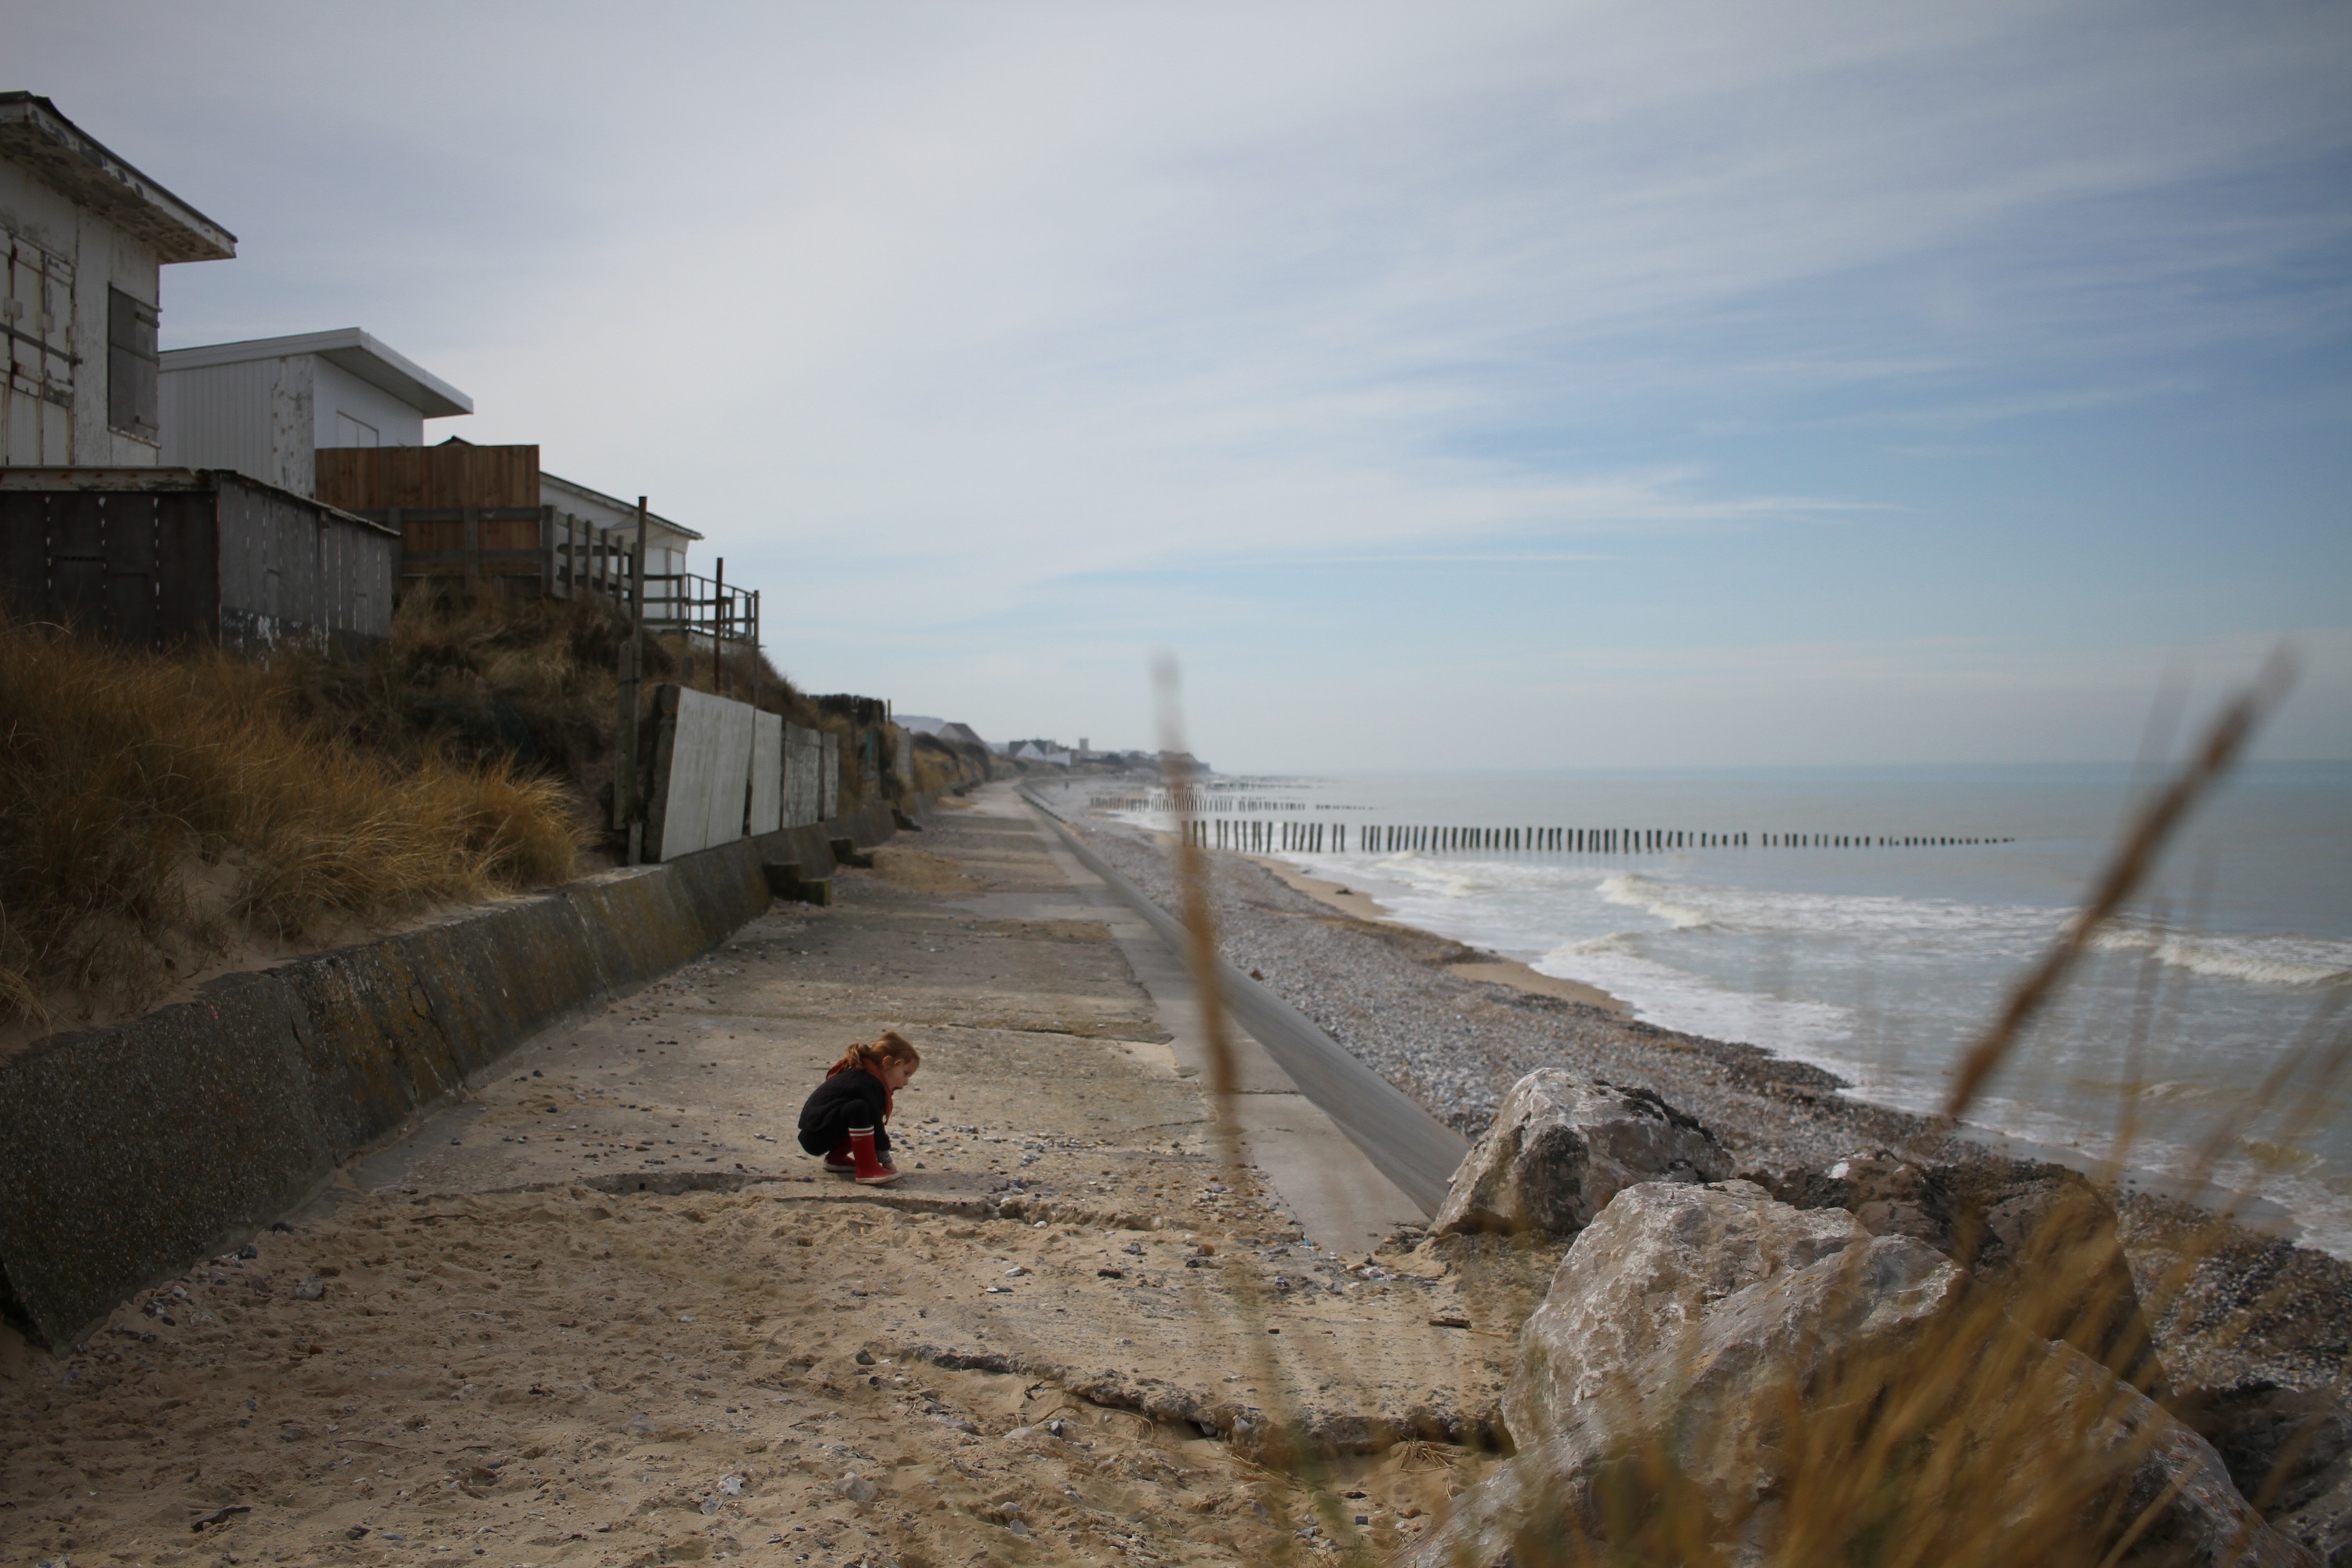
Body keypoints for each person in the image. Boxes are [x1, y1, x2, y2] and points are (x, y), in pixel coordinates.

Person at [797, 1032, 919, 1185]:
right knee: (859, 1109)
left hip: (817, 1132)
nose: (906, 1082)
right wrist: (886, 1160)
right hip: (816, 1138)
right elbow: (876, 1124)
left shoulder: (862, 1076)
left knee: (859, 1111)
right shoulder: (869, 1083)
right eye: (905, 1073)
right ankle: (867, 1169)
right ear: (887, 1063)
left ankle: (837, 1158)